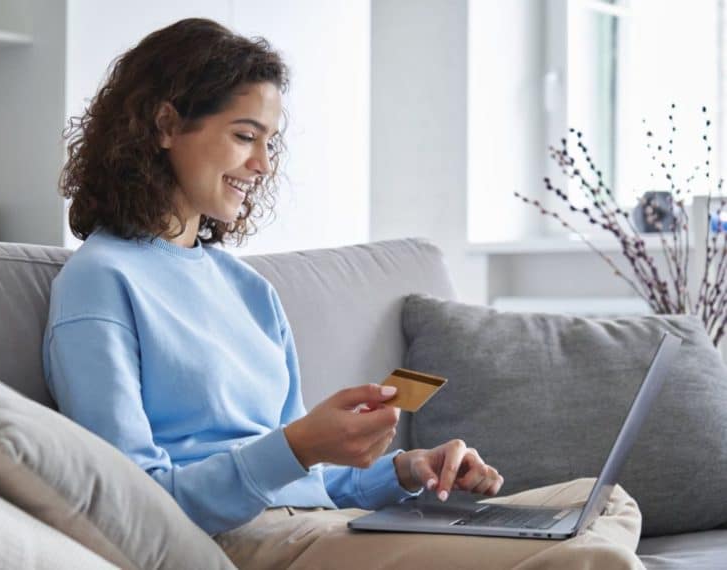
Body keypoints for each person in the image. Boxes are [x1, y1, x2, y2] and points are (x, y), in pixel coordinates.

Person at [44, 18, 643, 569]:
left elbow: (312, 483)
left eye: (269, 142)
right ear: (167, 124)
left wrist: (408, 471)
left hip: (324, 524)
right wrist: (297, 446)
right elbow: (131, 502)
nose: (262, 165)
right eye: (245, 136)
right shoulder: (101, 280)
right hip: (240, 539)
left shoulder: (248, 290)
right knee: (591, 559)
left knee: (601, 501)